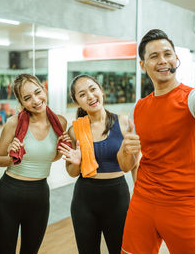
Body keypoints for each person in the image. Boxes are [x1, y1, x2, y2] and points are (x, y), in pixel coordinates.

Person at [119, 29, 195, 254]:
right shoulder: (138, 109)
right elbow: (127, 164)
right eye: (154, 56)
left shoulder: (193, 98)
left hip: (183, 207)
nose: (163, 60)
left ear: (177, 59)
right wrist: (126, 151)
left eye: (168, 54)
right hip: (142, 202)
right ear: (142, 64)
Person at [58, 74, 138, 254]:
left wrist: (129, 151)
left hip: (117, 197)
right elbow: (71, 172)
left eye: (93, 89)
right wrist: (77, 163)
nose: (91, 96)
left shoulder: (124, 123)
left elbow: (131, 167)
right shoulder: (75, 130)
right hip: (84, 199)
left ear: (101, 90)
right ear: (77, 102)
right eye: (83, 94)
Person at [0, 73, 70, 254]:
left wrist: (62, 147)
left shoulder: (60, 122)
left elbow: (52, 157)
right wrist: (11, 157)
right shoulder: (14, 123)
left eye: (37, 92)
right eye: (27, 98)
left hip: (39, 196)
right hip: (8, 195)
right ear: (21, 103)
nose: (35, 100)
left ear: (44, 89)